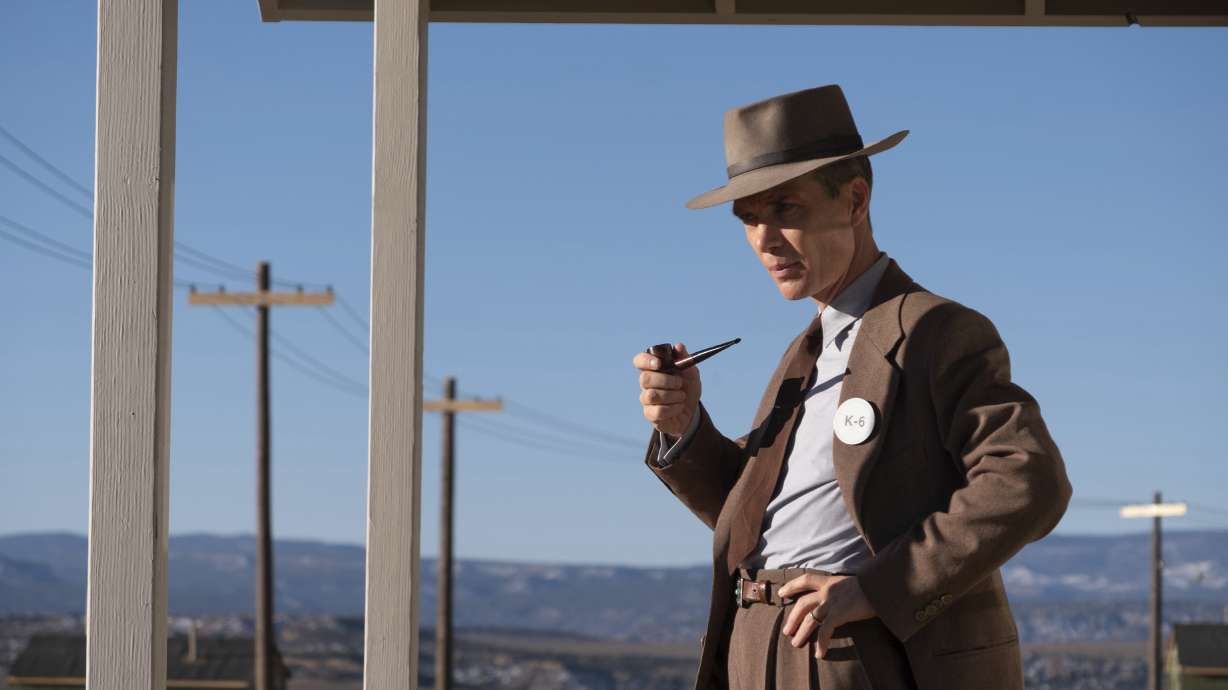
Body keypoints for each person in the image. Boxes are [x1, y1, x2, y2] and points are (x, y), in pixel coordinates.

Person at [632, 84, 1071, 690]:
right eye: (749, 219)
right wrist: (684, 430)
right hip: (758, 647)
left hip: (854, 652)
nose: (764, 239)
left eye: (786, 209)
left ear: (855, 200)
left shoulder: (933, 329)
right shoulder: (804, 353)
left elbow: (1028, 478)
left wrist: (881, 588)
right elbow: (752, 520)